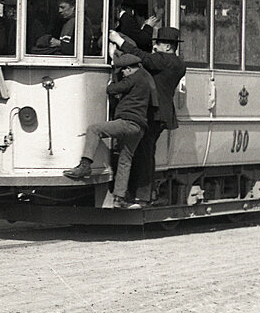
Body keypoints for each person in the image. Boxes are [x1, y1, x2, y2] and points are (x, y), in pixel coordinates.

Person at [62, 52, 156, 208]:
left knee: (94, 129)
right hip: (139, 127)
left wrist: (111, 81)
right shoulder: (145, 78)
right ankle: (119, 198)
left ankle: (85, 166)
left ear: (130, 68)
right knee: (125, 160)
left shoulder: (134, 77)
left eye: (124, 71)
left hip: (127, 122)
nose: (123, 74)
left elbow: (112, 89)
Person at [122, 26, 186, 204]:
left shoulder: (167, 61)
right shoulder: (176, 63)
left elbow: (143, 57)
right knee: (145, 152)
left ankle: (142, 195)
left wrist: (120, 42)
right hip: (161, 114)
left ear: (167, 47)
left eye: (158, 43)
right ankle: (140, 193)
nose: (155, 46)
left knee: (144, 153)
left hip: (155, 114)